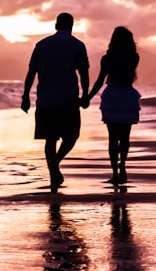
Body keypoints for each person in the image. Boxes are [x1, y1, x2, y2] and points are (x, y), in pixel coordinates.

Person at [22, 13, 90, 190]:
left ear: (55, 25)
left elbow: (31, 73)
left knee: (50, 139)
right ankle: (56, 162)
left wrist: (25, 96)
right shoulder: (77, 45)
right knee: (72, 135)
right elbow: (83, 73)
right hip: (68, 99)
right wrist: (86, 95)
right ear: (71, 26)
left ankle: (53, 173)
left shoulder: (42, 45)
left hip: (45, 98)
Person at [86, 26, 140, 186]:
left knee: (112, 138)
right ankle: (122, 167)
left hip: (112, 96)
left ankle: (115, 173)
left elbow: (100, 80)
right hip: (128, 96)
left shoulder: (107, 59)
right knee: (125, 137)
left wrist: (87, 97)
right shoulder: (134, 57)